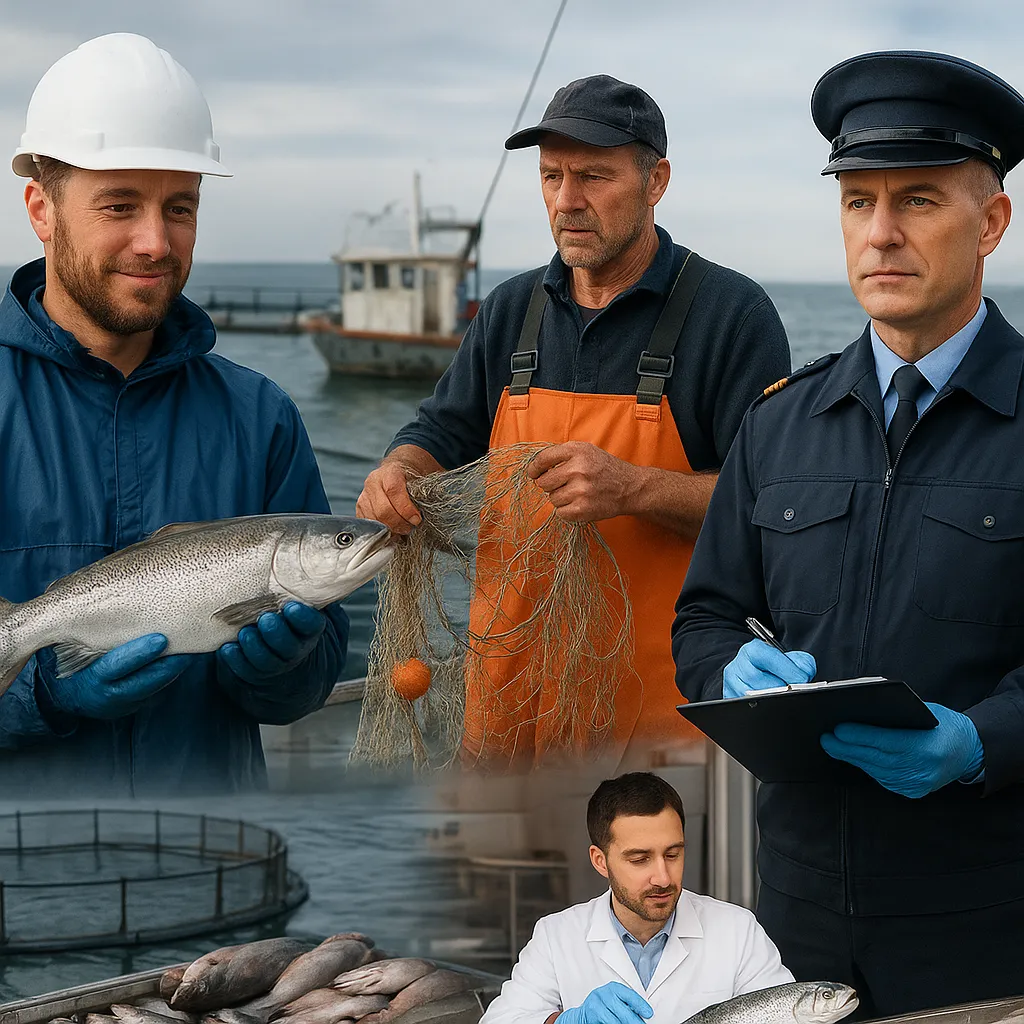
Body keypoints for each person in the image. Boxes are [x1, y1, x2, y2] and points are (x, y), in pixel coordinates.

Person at [672, 50, 1024, 1016]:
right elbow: (705, 617)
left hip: (988, 919)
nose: (880, 234)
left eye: (918, 200)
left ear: (991, 221)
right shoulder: (779, 423)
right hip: (794, 911)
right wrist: (728, 671)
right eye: (857, 201)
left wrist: (982, 741)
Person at [357, 75, 790, 770]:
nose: (566, 200)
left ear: (656, 182)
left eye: (593, 176)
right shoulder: (509, 312)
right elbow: (440, 433)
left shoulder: (731, 316)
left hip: (658, 726)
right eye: (551, 176)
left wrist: (634, 488)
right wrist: (399, 470)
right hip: (507, 710)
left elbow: (772, 511)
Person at [0, 34, 349, 796]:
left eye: (180, 208)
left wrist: (282, 670)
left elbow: (310, 681)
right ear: (41, 210)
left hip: (216, 850)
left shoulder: (262, 417)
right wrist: (44, 693)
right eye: (119, 206)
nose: (156, 242)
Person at [480, 773, 793, 1024]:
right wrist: (566, 1021)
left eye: (672, 854)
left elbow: (790, 1015)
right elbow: (502, 1019)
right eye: (640, 859)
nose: (663, 878)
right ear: (600, 861)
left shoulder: (737, 931)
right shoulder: (556, 935)